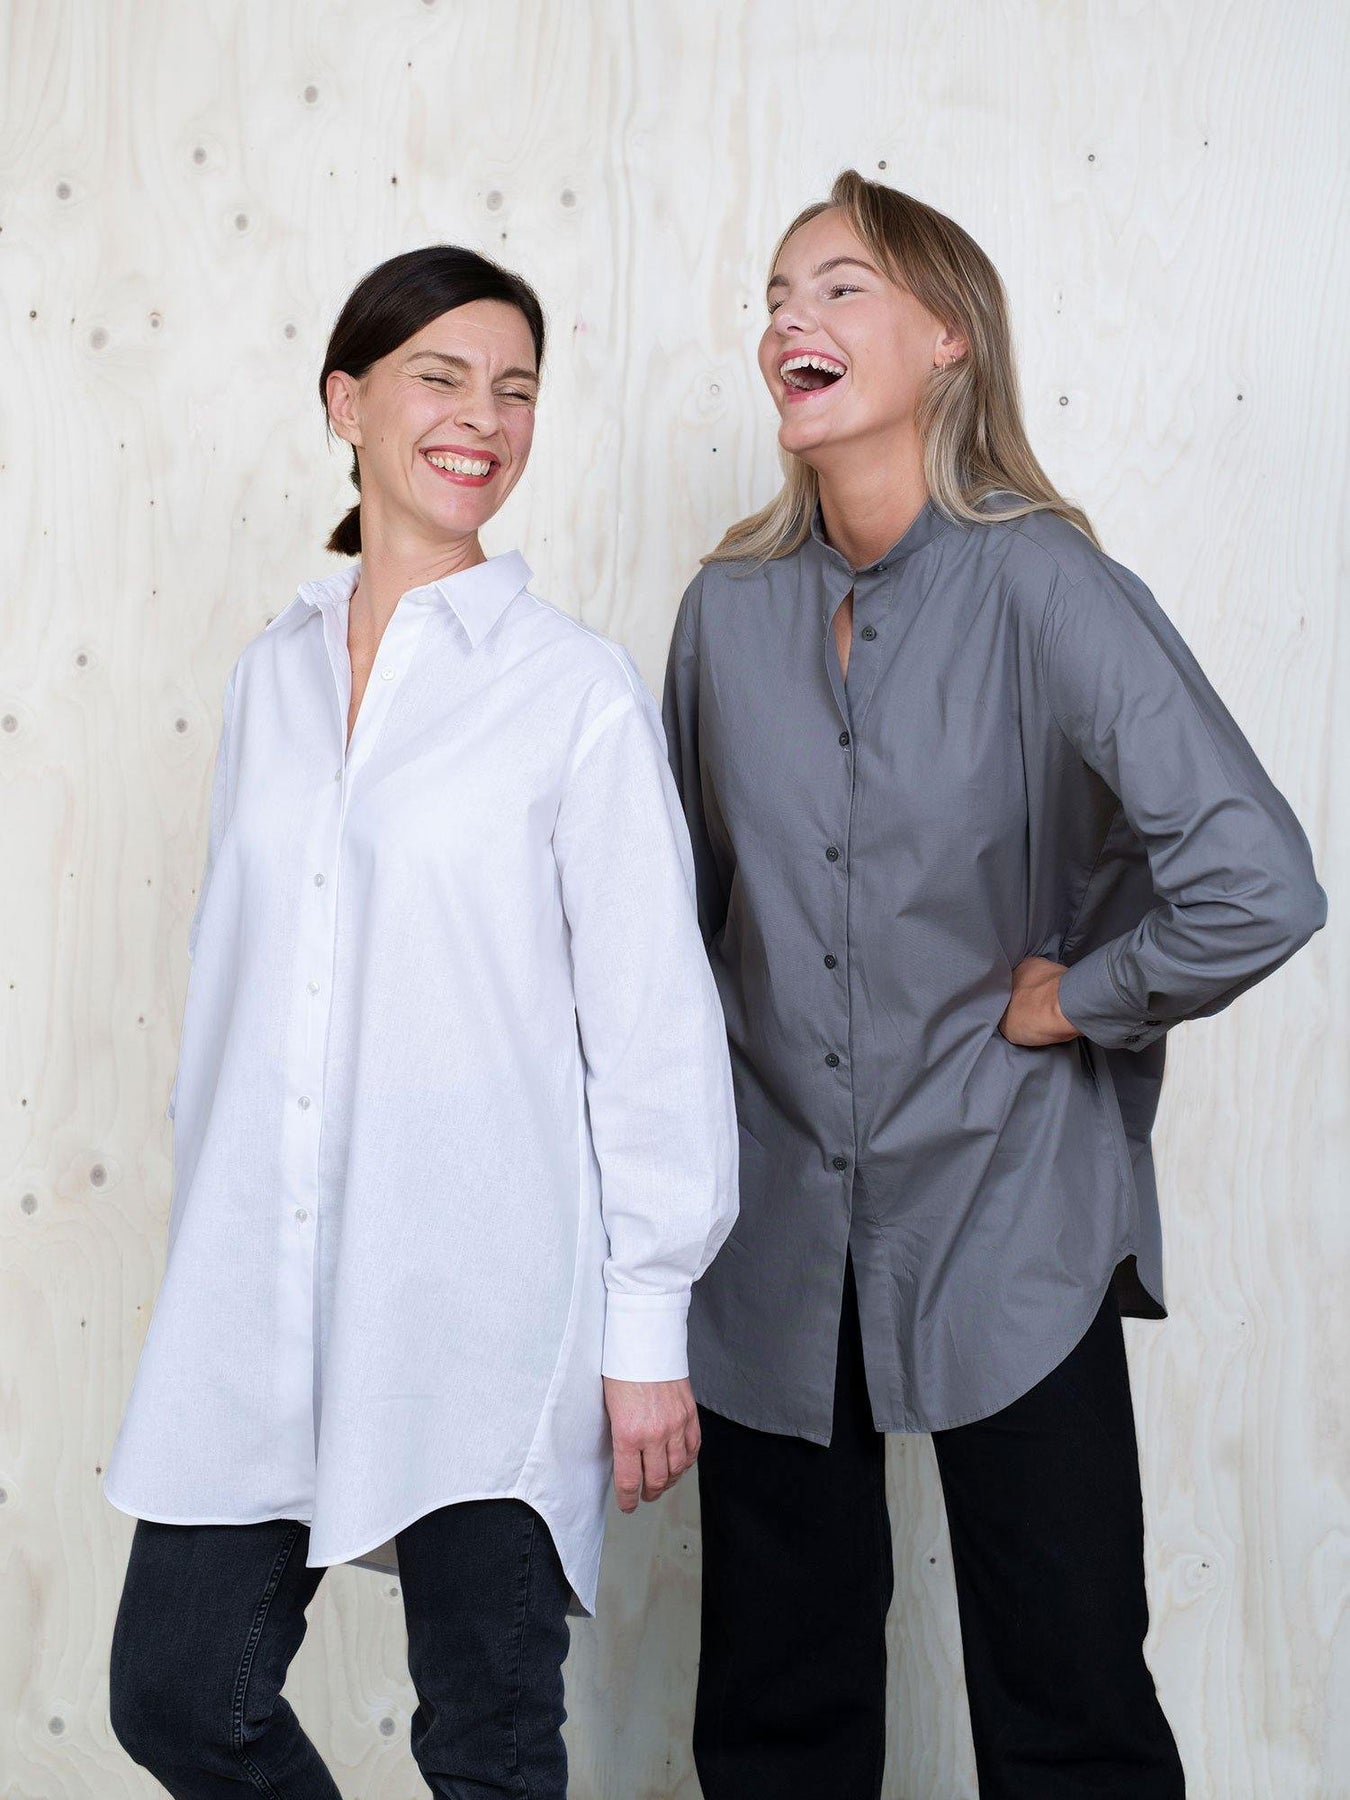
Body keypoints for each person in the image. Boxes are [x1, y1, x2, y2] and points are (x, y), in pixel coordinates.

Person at [663, 170, 1326, 1800]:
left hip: (1009, 1203)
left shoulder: (1044, 585)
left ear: (946, 336)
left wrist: (1076, 996)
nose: (790, 319)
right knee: (772, 1714)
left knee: (1067, 1703)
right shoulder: (724, 613)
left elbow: (1257, 879)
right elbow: (671, 936)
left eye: (838, 287)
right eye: (774, 295)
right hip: (772, 1226)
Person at [104, 245, 738, 1799]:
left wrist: (645, 1328)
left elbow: (652, 1032)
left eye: (515, 390)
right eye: (439, 377)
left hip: (485, 1301)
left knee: (487, 1742)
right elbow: (237, 985)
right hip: (258, 1287)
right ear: (346, 404)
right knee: (178, 1694)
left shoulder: (572, 692)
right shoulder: (269, 680)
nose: (483, 419)